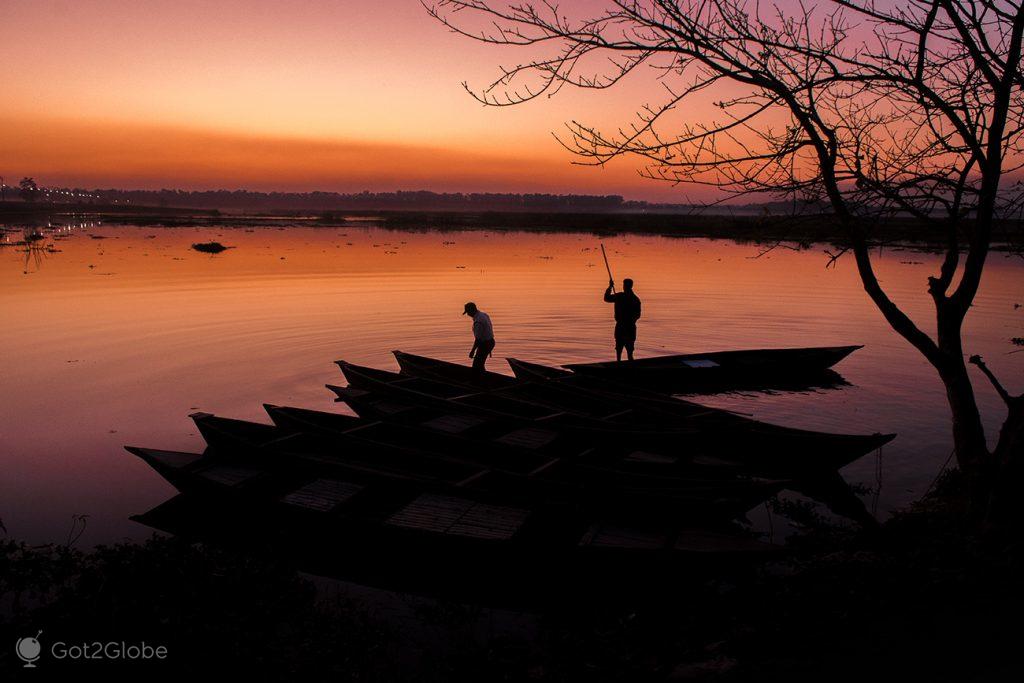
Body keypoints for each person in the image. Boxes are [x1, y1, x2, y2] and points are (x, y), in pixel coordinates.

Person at [604, 278, 641, 361]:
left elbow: (606, 298)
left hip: (622, 327)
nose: (624, 287)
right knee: (628, 352)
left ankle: (619, 366)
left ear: (625, 286)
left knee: (619, 351)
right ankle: (629, 367)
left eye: (624, 285)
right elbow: (638, 315)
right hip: (630, 327)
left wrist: (610, 287)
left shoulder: (620, 296)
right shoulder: (636, 299)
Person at [463, 302, 495, 373]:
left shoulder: (478, 322)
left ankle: (481, 381)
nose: (468, 314)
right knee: (480, 364)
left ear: (472, 310)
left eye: (468, 312)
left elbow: (478, 339)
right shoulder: (483, 315)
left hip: (485, 344)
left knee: (476, 365)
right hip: (491, 341)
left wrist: (472, 351)